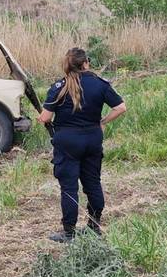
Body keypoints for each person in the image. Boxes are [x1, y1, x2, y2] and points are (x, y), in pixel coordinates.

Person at [37, 47, 127, 243]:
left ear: (67, 65)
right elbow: (121, 107)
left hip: (67, 141)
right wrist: (102, 122)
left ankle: (69, 232)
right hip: (93, 139)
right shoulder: (100, 84)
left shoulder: (58, 87)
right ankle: (94, 226)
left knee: (69, 188)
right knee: (93, 183)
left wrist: (41, 118)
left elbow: (45, 117)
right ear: (86, 63)